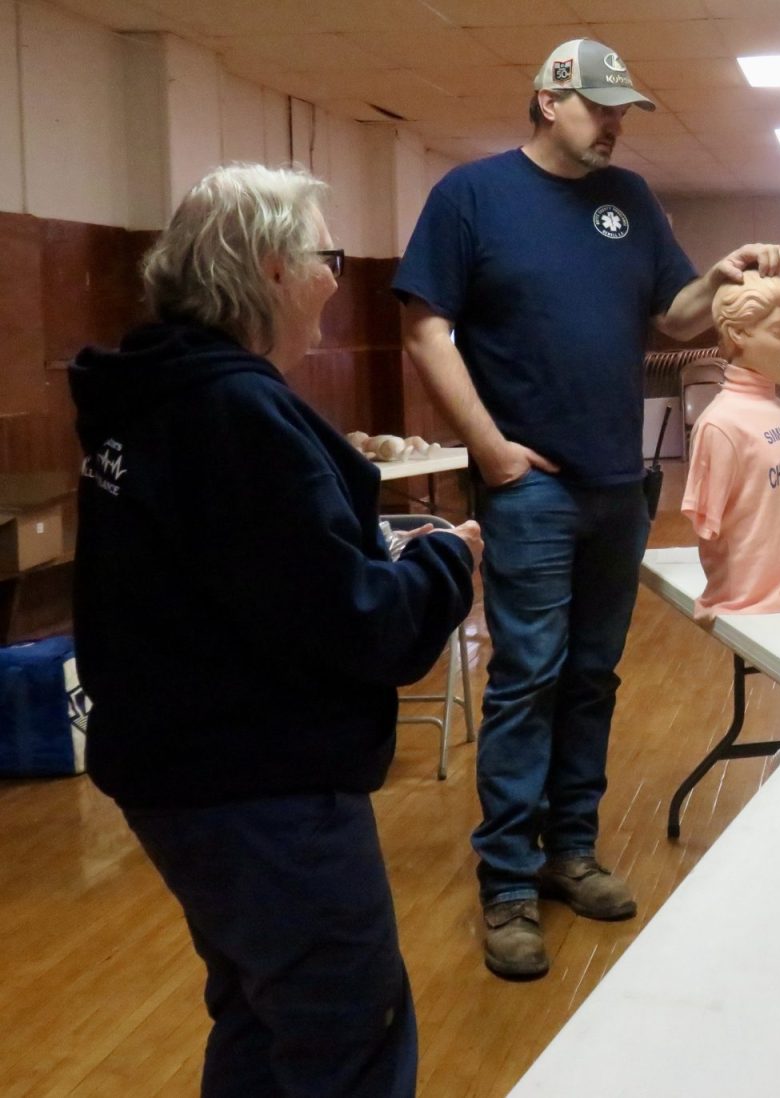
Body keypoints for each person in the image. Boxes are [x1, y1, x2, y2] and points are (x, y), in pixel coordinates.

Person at [69, 164, 480, 1098]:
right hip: (261, 791)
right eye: (324, 257)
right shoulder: (235, 411)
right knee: (345, 1027)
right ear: (269, 269)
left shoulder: (149, 396)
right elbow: (365, 628)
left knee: (261, 1015)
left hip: (178, 780)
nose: (338, 279)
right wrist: (447, 562)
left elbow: (252, 582)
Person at [392, 37, 780, 981]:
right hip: (532, 487)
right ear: (546, 101)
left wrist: (721, 275)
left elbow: (678, 314)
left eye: (622, 111)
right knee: (529, 675)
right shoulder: (472, 196)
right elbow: (423, 325)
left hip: (618, 485)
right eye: (600, 107)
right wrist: (488, 449)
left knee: (595, 675)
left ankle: (571, 850)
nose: (614, 124)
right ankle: (509, 885)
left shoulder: (632, 202)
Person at [682, 272, 780, 621]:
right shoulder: (721, 424)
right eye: (779, 332)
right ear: (738, 334)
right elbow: (708, 534)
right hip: (754, 610)